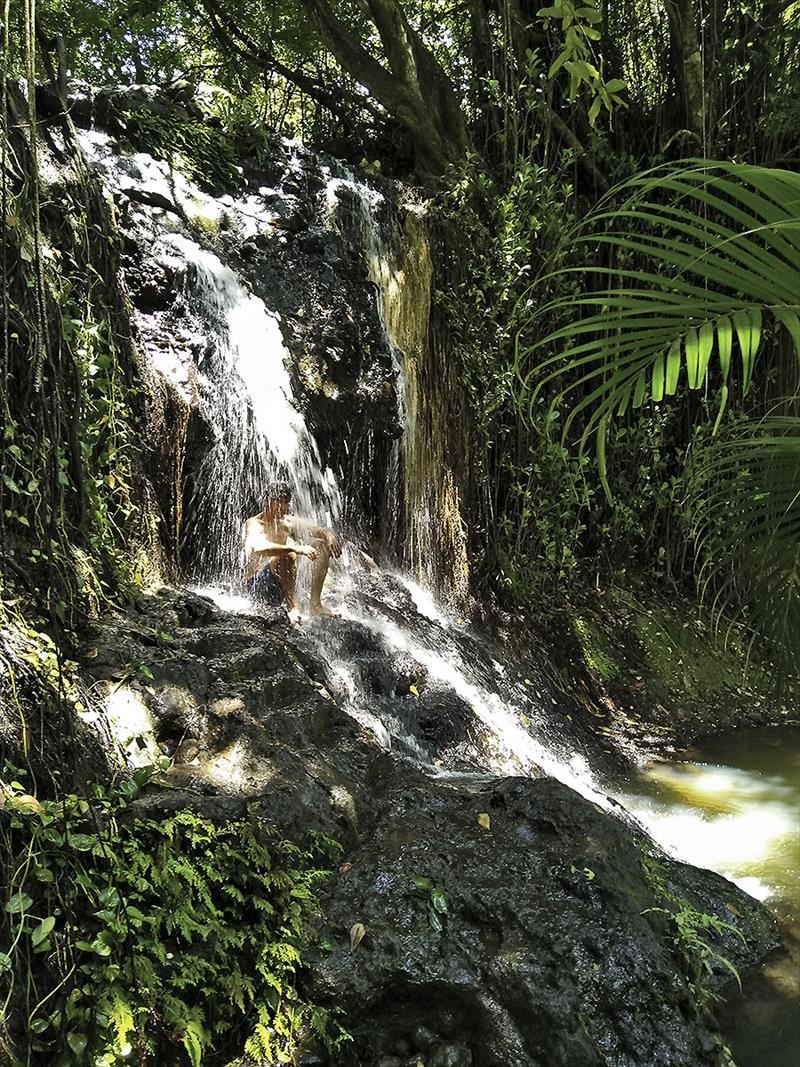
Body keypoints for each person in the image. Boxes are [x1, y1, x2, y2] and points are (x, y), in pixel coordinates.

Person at [243, 482, 342, 619]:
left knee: (321, 545)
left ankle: (315, 605)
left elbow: (320, 531)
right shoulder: (254, 523)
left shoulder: (287, 522)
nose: (283, 507)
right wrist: (296, 548)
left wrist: (329, 535)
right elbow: (259, 548)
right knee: (288, 553)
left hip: (283, 580)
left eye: (286, 502)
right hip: (259, 587)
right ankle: (292, 608)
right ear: (267, 501)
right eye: (279, 501)